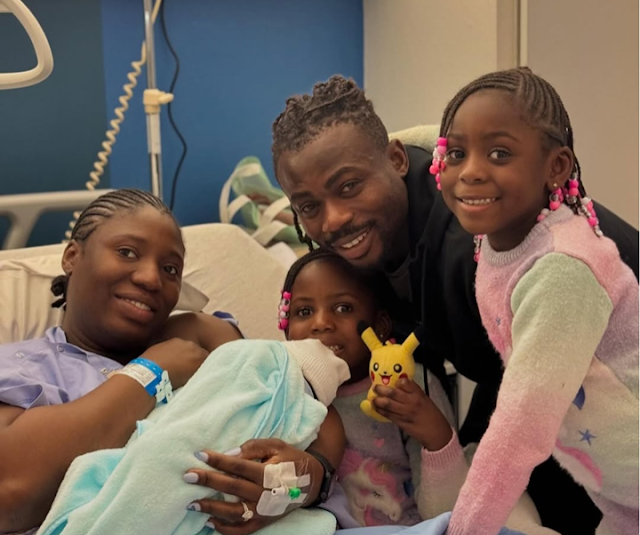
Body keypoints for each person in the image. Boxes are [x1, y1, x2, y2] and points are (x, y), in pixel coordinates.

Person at [270, 75, 639, 534]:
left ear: (396, 160)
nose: (334, 220)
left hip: (601, 392)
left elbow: (522, 424)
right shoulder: (361, 250)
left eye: (348, 187)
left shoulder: (482, 241)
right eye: (308, 206)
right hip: (541, 392)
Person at [0, 189, 343, 535]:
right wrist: (150, 372)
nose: (151, 279)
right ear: (72, 256)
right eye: (127, 252)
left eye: (170, 269)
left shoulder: (201, 337)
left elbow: (302, 398)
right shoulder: (20, 368)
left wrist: (308, 480)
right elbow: (11, 495)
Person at [432, 67, 638, 535]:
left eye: (499, 153)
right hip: (621, 499)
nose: (471, 171)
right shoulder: (496, 243)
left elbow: (519, 431)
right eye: (456, 153)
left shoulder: (563, 271)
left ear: (556, 167)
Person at [278, 247, 557, 534]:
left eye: (343, 308)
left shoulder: (409, 392)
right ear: (286, 329)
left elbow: (445, 513)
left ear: (380, 326)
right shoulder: (281, 394)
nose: (321, 323)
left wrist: (436, 437)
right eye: (304, 311)